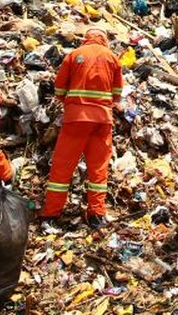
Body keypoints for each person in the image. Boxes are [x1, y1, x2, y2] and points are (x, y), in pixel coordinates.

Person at [40, 29, 123, 229]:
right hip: (102, 121)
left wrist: (71, 103)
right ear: (105, 39)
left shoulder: (74, 55)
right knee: (98, 169)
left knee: (62, 167)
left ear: (86, 38)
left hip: (76, 119)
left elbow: (59, 88)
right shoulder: (112, 58)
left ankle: (51, 214)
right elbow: (117, 93)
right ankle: (97, 214)